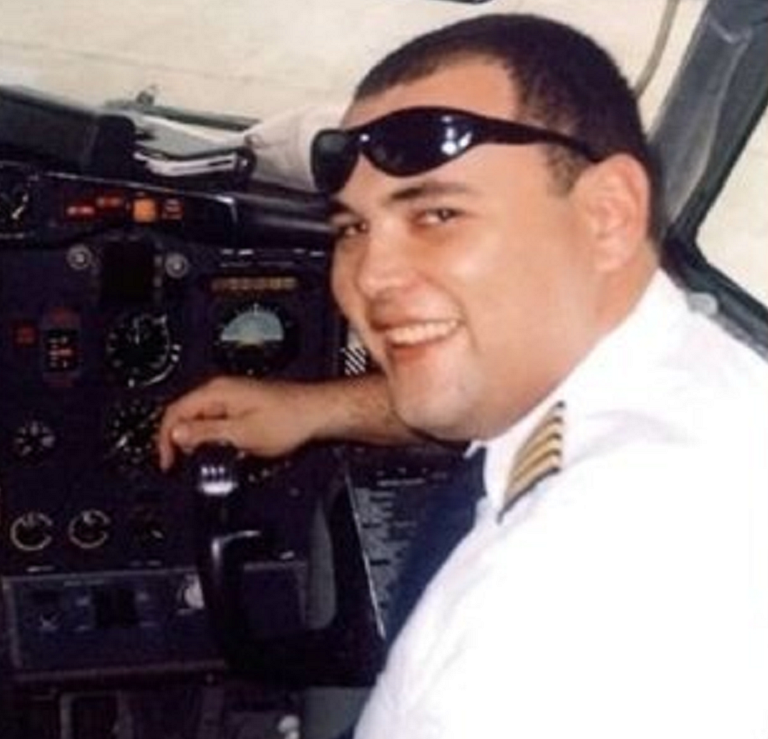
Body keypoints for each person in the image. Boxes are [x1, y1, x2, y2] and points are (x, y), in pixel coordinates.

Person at [158, 13, 768, 739]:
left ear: (608, 215)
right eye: (353, 229)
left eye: (438, 214)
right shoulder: (676, 368)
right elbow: (496, 390)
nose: (370, 277)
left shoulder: (582, 582)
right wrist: (318, 409)